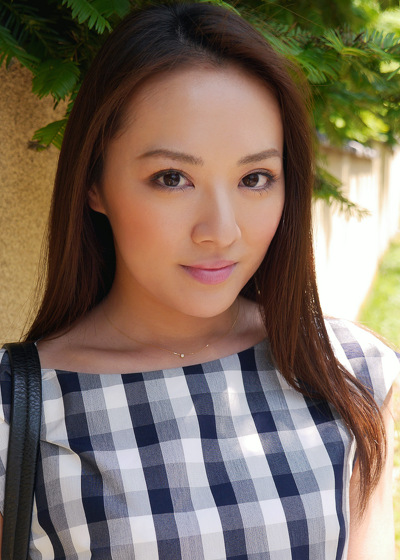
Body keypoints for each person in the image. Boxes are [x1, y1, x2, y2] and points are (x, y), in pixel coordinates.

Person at [0, 1, 399, 558]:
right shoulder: (17, 409)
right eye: (172, 178)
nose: (221, 231)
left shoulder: (350, 372)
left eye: (255, 178)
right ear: (94, 183)